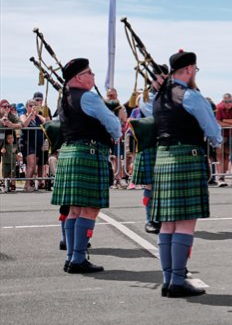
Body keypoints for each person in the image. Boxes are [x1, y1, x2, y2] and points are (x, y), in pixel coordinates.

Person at [151, 50, 223, 298]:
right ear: (190, 70)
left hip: (163, 158)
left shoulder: (158, 97)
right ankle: (178, 281)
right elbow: (213, 131)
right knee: (184, 221)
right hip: (186, 158)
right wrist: (216, 141)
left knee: (167, 224)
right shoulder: (190, 96)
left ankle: (168, 279)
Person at [50, 58, 122, 274]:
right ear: (79, 77)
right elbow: (112, 122)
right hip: (88, 154)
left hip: (70, 152)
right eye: (90, 72)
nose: (93, 76)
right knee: (89, 209)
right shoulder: (88, 97)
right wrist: (116, 135)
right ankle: (78, 259)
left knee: (75, 209)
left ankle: (72, 257)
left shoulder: (65, 98)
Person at [130, 65, 168, 234]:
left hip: (167, 144)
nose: (165, 79)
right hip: (151, 143)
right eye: (162, 77)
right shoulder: (146, 97)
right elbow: (159, 115)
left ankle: (165, 217)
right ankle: (150, 219)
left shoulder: (172, 94)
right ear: (154, 79)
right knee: (151, 185)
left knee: (166, 184)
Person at [215, 93, 232, 186]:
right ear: (223, 101)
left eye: (230, 101)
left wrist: (224, 120)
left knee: (227, 156)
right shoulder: (219, 107)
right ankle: (220, 177)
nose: (229, 103)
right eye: (227, 101)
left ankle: (223, 176)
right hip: (220, 135)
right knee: (219, 155)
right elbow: (217, 122)